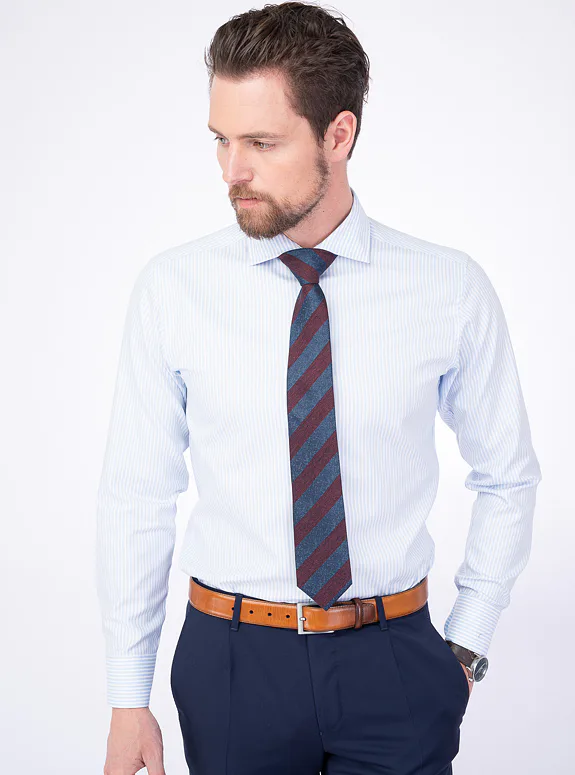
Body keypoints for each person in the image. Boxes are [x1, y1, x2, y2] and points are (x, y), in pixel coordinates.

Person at [96, 3, 542, 774]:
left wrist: (465, 643)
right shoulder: (173, 290)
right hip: (231, 664)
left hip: (396, 661)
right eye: (221, 139)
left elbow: (507, 475)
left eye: (261, 143)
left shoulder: (447, 288)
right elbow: (137, 495)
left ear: (338, 135)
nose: (231, 170)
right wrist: (126, 693)